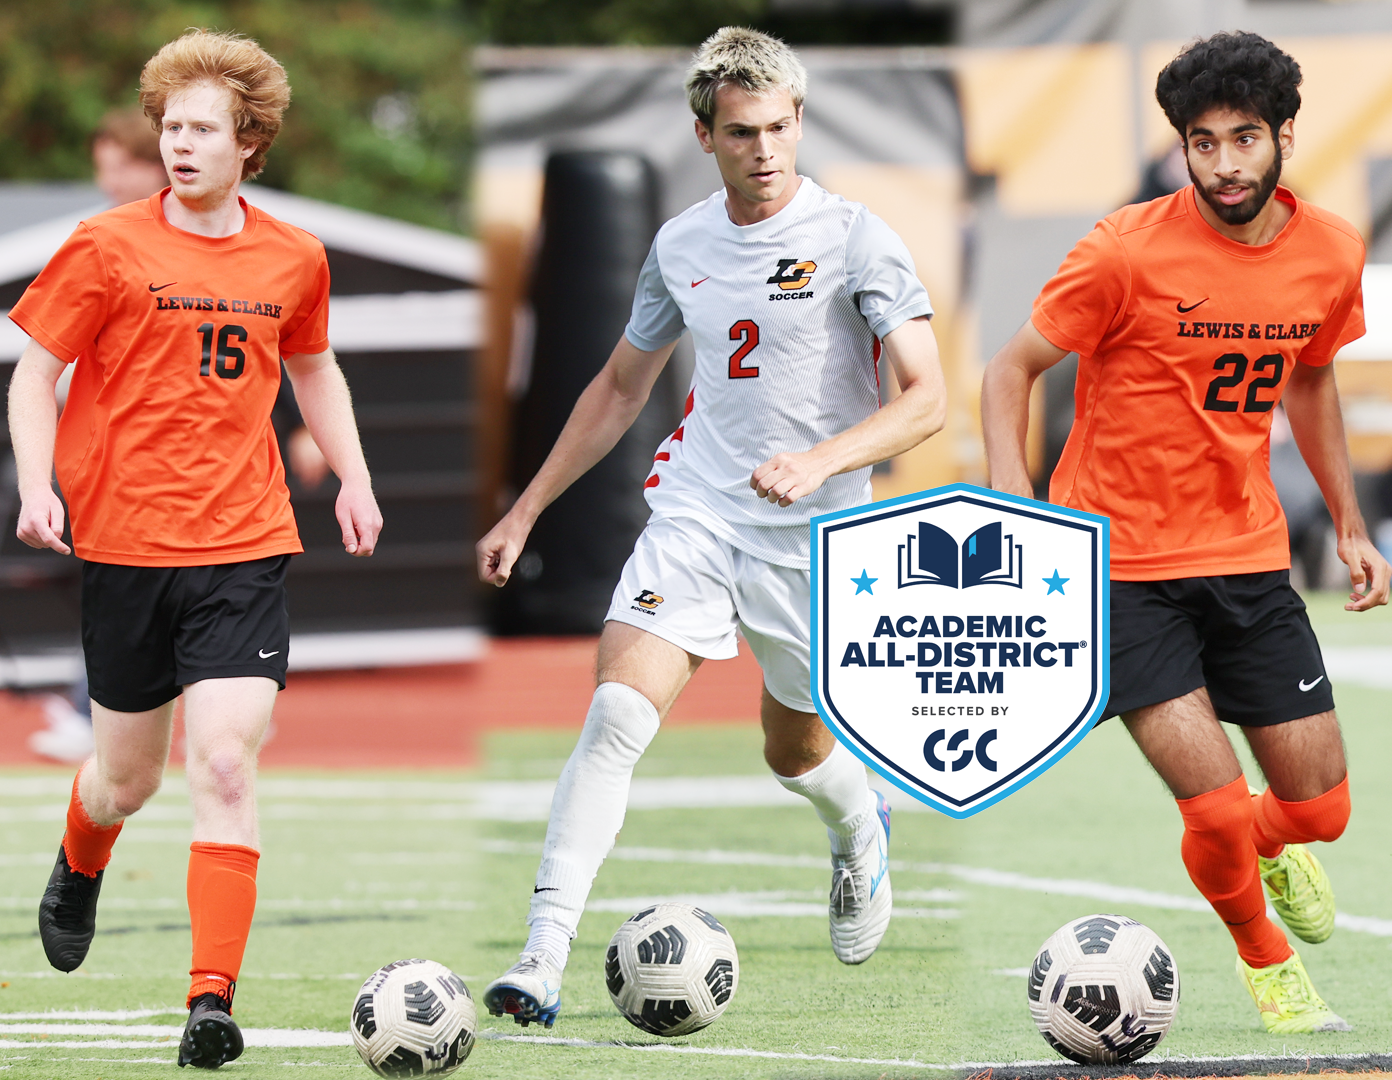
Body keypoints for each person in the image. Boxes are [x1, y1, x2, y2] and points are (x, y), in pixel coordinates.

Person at [474, 27, 946, 1027]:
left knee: (794, 752)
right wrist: (525, 508)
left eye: (780, 128)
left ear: (801, 122)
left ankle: (860, 831)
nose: (765, 150)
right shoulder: (680, 243)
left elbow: (929, 398)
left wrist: (820, 461)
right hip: (695, 514)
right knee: (614, 718)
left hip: (813, 545)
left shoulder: (857, 237)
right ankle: (542, 958)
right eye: (742, 132)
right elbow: (617, 386)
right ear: (705, 135)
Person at [982, 31, 1390, 1034]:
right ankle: (1269, 966)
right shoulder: (1123, 251)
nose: (1225, 165)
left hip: (1249, 559)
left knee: (1315, 814)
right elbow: (1008, 374)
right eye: (1201, 144)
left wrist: (1350, 522)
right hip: (1116, 569)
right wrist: (1010, 505)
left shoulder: (1333, 249)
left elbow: (1311, 377)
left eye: (1244, 139)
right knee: (1210, 811)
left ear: (1284, 135)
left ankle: (1275, 851)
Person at [9, 29, 382, 1068]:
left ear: (247, 142)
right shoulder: (102, 245)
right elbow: (32, 374)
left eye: (202, 129)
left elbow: (313, 369)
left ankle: (210, 1001)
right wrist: (39, 485)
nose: (180, 143)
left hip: (245, 546)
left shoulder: (292, 256)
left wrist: (352, 475)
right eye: (169, 126)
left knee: (221, 760)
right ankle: (82, 859)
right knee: (124, 782)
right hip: (126, 552)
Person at [24, 107, 173, 766]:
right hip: (116, 460)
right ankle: (96, 702)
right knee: (125, 585)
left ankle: (103, 706)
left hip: (183, 465)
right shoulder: (101, 242)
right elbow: (43, 364)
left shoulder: (214, 241)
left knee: (164, 587)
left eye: (117, 167)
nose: (105, 181)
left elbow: (261, 352)